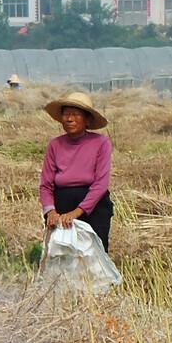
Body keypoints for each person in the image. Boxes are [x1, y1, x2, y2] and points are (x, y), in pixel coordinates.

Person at [39, 91, 113, 251]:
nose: (69, 119)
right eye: (66, 114)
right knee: (62, 255)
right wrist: (50, 211)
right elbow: (45, 185)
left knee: (94, 254)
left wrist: (76, 212)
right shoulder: (55, 145)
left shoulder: (101, 143)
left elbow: (101, 184)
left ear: (87, 119)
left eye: (75, 114)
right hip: (61, 207)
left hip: (93, 206)